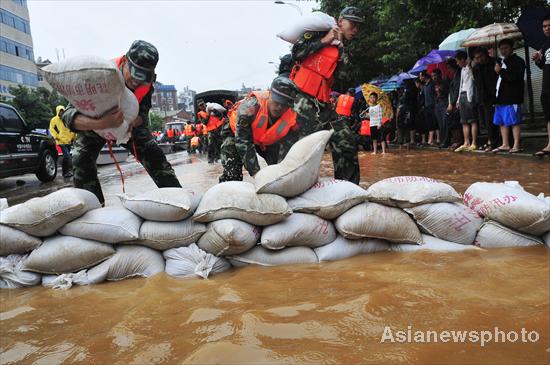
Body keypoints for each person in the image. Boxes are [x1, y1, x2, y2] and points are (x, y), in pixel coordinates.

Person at [61, 40, 181, 204]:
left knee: (153, 154)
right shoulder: (98, 76)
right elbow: (68, 116)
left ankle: (178, 200)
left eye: (144, 78)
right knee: (80, 159)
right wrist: (102, 123)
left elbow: (143, 114)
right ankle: (93, 208)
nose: (137, 82)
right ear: (124, 62)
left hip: (127, 124)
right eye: (135, 74)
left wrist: (131, 122)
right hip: (95, 123)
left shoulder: (146, 84)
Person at [290, 6, 364, 185]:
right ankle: (296, 189)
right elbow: (296, 53)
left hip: (324, 104)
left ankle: (348, 189)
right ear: (340, 21)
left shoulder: (341, 47)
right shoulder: (318, 32)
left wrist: (341, 50)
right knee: (302, 150)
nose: (355, 30)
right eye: (352, 24)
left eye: (358, 27)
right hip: (301, 100)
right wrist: (325, 39)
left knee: (346, 141)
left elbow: (342, 80)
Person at [218, 76, 299, 182]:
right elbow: (243, 143)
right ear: (270, 94)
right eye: (277, 101)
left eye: (284, 104)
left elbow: (292, 147)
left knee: (282, 174)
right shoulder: (250, 108)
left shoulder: (292, 116)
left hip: (263, 140)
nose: (279, 107)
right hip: (236, 135)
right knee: (233, 175)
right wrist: (257, 174)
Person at [492, 38, 526, 154]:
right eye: (501, 49)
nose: (503, 51)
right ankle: (505, 144)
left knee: (514, 121)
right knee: (502, 121)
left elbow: (513, 77)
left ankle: (516, 144)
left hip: (513, 97)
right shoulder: (500, 62)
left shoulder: (518, 61)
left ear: (512, 48)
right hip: (501, 97)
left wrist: (500, 71)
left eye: (506, 48)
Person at [472, 47, 499, 152]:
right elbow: (477, 83)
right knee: (489, 122)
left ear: (486, 54)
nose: (479, 59)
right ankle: (493, 143)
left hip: (497, 96)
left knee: (501, 121)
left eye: (481, 56)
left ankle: (506, 142)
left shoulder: (495, 62)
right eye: (477, 58)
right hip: (484, 98)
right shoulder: (476, 68)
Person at [454, 50, 479, 152]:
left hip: (470, 96)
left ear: (463, 59)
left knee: (472, 120)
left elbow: (474, 80)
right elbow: (461, 85)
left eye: (457, 61)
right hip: (462, 95)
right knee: (464, 121)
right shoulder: (462, 70)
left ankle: (474, 143)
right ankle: (466, 142)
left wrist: (470, 66)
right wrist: (458, 100)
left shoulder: (470, 67)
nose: (457, 63)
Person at [533, 14, 550, 157]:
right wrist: (538, 60)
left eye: (549, 25)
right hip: (546, 87)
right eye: (544, 26)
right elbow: (544, 66)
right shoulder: (544, 46)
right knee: (549, 116)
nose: (547, 28)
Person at [49, 105, 75, 178]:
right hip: (61, 141)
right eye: (60, 111)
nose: (61, 113)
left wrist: (73, 137)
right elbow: (51, 129)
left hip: (69, 140)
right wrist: (57, 137)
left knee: (67, 157)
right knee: (67, 156)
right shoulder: (54, 120)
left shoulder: (67, 119)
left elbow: (72, 128)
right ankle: (66, 172)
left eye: (63, 111)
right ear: (57, 112)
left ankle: (66, 172)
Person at [445, 58, 463, 149]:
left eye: (449, 68)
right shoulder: (454, 76)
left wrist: (452, 104)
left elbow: (456, 91)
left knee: (456, 122)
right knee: (452, 122)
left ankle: (458, 141)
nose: (449, 70)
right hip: (452, 103)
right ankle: (456, 140)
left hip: (456, 103)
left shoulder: (459, 75)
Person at [431, 69, 449, 148]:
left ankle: (446, 141)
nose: (434, 77)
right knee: (440, 124)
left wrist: (440, 91)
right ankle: (442, 141)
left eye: (435, 75)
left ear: (439, 75)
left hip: (444, 104)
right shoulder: (433, 85)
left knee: (445, 123)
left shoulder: (445, 83)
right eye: (432, 76)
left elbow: (448, 93)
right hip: (437, 105)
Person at [420, 70, 437, 145]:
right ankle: (430, 139)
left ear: (424, 76)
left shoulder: (432, 84)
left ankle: (437, 139)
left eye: (420, 76)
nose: (420, 78)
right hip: (427, 106)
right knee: (429, 123)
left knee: (435, 122)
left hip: (433, 105)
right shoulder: (424, 86)